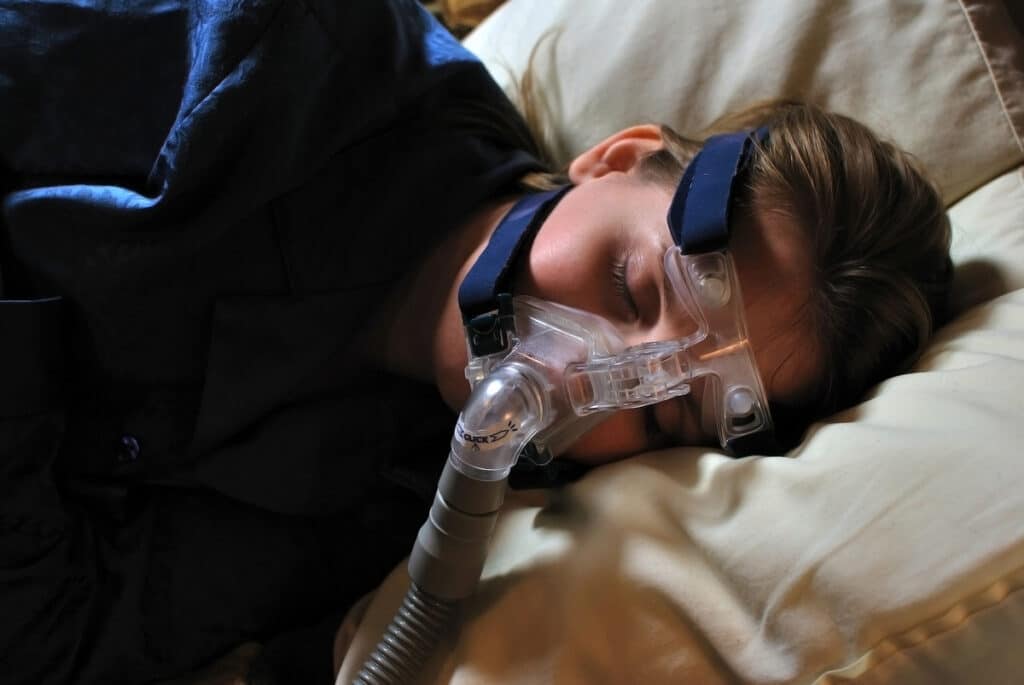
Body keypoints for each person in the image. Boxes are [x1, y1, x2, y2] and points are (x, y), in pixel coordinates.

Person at [0, 1, 951, 684]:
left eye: (663, 408)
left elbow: (56, 637)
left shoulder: (390, 509)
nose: (585, 374)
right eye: (631, 284)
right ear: (615, 159)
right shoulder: (278, 57)